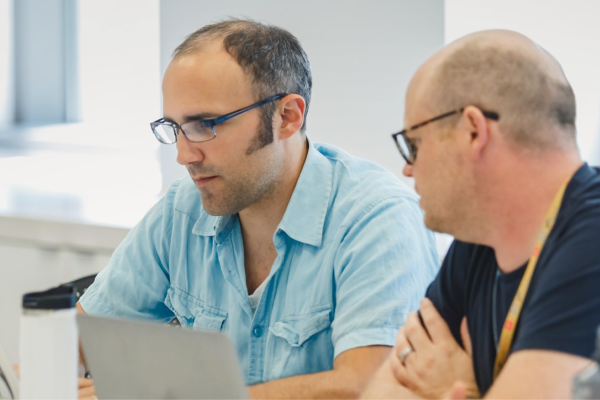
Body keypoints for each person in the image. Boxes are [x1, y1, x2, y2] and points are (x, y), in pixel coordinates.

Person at [76, 19, 439, 400]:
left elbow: (365, 386)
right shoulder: (182, 210)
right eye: (175, 127)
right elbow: (73, 338)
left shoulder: (377, 220)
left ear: (287, 117)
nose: (184, 155)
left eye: (206, 125)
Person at [361, 29, 600, 400]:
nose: (408, 169)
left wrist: (459, 392)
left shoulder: (592, 237)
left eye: (414, 144)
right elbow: (387, 388)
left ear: (473, 130)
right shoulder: (480, 236)